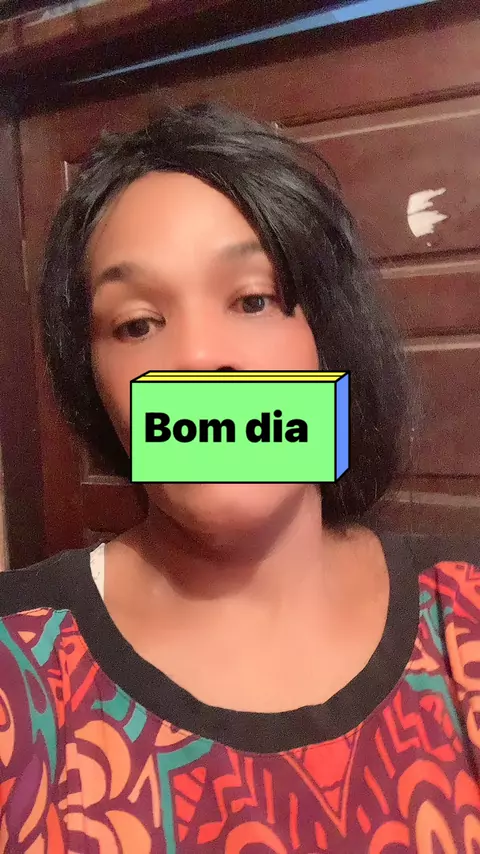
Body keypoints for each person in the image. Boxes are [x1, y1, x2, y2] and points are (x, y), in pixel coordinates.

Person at [0, 103, 478, 853]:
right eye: (137, 324)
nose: (198, 359)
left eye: (253, 300)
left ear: (330, 340)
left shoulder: (465, 618)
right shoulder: (17, 663)